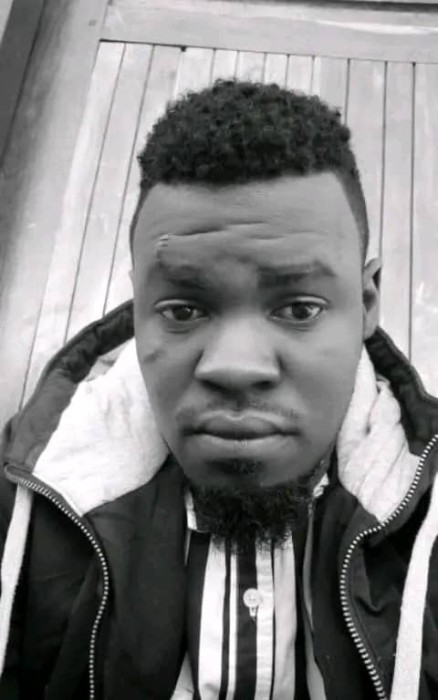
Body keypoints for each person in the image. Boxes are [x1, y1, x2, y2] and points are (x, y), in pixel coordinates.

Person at [0, 79, 437, 700]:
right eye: (182, 310)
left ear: (366, 303)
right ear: (139, 304)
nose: (235, 367)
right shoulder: (24, 505)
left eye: (299, 308)